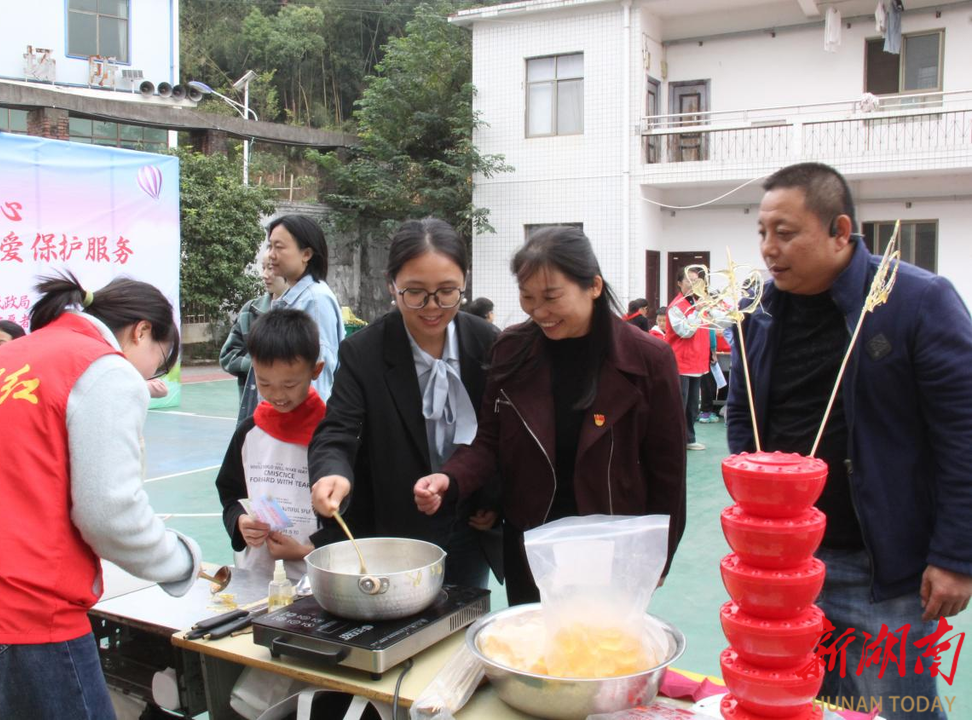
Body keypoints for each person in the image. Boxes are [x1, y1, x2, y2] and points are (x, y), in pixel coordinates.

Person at [0, 272, 202, 720]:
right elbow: (110, 514)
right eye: (160, 359)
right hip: (10, 613)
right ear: (142, 331)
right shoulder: (103, 367)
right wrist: (180, 561)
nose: (152, 375)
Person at [727, 162, 972, 720]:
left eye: (785, 233)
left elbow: (963, 432)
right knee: (810, 702)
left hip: (883, 566)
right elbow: (743, 419)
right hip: (790, 562)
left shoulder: (915, 302)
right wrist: (760, 519)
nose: (769, 248)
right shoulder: (758, 313)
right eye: (763, 233)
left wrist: (957, 555)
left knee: (899, 706)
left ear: (841, 231)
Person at [409, 226, 687, 605]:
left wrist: (659, 555)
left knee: (601, 651)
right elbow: (489, 440)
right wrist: (450, 477)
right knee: (535, 651)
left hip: (611, 543)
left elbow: (667, 471)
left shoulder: (647, 360)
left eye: (552, 297)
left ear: (593, 286)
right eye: (527, 298)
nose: (539, 312)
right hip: (533, 540)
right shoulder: (512, 349)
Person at [309, 218, 501, 588]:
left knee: (462, 618)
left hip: (471, 521)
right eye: (414, 292)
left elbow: (501, 434)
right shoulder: (365, 351)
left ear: (464, 282)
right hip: (396, 529)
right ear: (391, 286)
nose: (432, 307)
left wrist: (494, 498)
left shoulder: (488, 343)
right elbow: (338, 429)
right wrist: (332, 472)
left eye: (447, 291)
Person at [216, 308, 326, 586]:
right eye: (264, 382)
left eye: (290, 384)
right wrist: (240, 523)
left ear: (316, 371)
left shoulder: (330, 435)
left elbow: (357, 515)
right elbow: (231, 494)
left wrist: (307, 550)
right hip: (257, 578)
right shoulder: (250, 431)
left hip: (317, 583)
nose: (277, 395)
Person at [267, 215, 346, 401]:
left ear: (306, 254)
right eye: (270, 246)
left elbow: (318, 375)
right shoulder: (293, 297)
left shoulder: (316, 300)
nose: (271, 254)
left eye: (279, 247)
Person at [220, 246, 291, 423]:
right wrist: (260, 365)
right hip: (253, 414)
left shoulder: (303, 310)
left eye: (271, 268)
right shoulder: (250, 311)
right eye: (263, 267)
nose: (265, 275)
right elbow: (228, 356)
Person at [667, 267, 710, 451]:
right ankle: (674, 439)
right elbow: (685, 331)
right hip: (680, 363)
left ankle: (689, 438)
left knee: (693, 405)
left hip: (697, 362)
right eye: (689, 281)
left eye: (696, 281)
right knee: (679, 404)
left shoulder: (699, 302)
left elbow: (717, 323)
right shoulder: (676, 307)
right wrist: (697, 312)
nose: (693, 285)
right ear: (679, 283)